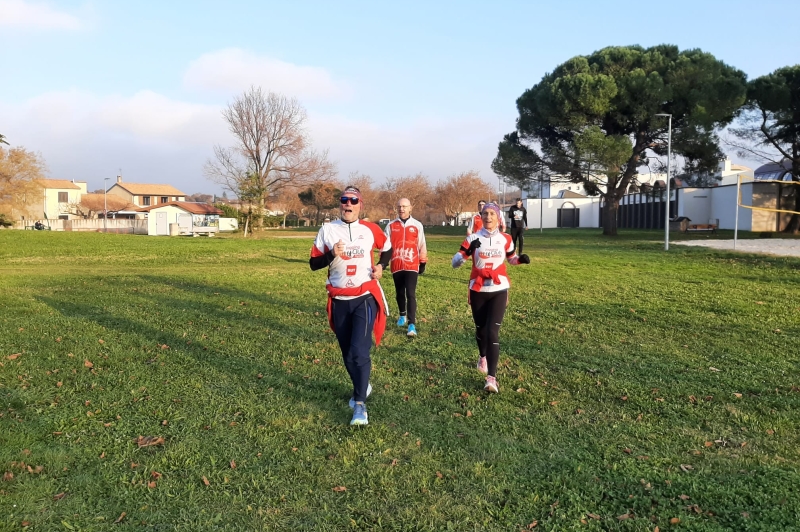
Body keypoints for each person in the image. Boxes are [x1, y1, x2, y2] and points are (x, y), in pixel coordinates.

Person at [309, 186, 392, 426]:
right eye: (344, 200)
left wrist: (381, 267)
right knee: (347, 354)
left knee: (359, 351)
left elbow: (387, 249)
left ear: (360, 204)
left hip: (364, 296)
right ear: (340, 204)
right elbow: (313, 264)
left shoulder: (370, 229)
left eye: (353, 200)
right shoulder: (327, 230)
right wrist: (331, 255)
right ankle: (362, 386)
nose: (348, 204)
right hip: (338, 299)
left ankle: (359, 405)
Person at [452, 202, 529, 393]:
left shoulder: (506, 238)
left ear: (498, 217)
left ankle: (491, 378)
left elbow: (511, 258)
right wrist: (468, 252)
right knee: (481, 330)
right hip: (478, 288)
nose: (488, 217)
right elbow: (455, 263)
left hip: (499, 288)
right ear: (481, 216)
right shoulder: (472, 238)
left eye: (491, 214)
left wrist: (520, 260)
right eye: (485, 214)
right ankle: (482, 356)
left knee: (493, 332)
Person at [385, 197, 428, 337]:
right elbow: (385, 246)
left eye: (404, 206)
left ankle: (411, 325)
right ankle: (402, 315)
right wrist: (383, 262)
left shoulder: (417, 225)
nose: (401, 209)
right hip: (396, 264)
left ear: (410, 208)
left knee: (410, 293)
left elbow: (422, 244)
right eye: (399, 207)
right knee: (399, 292)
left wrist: (423, 261)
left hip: (412, 264)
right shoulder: (390, 226)